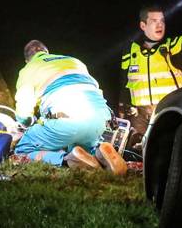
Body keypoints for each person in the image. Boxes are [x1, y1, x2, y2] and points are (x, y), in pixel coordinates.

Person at [12, 40, 118, 170]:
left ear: (27, 60)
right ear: (47, 52)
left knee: (23, 150)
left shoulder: (29, 68)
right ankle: (99, 153)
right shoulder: (73, 61)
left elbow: (24, 108)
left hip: (66, 120)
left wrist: (26, 123)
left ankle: (66, 160)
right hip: (100, 118)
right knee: (79, 148)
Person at [118, 5, 182, 149]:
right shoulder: (130, 50)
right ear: (143, 25)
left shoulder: (171, 46)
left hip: (166, 111)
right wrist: (122, 106)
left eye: (162, 20)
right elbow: (124, 81)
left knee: (165, 148)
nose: (160, 24)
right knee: (137, 150)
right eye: (154, 21)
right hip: (139, 114)